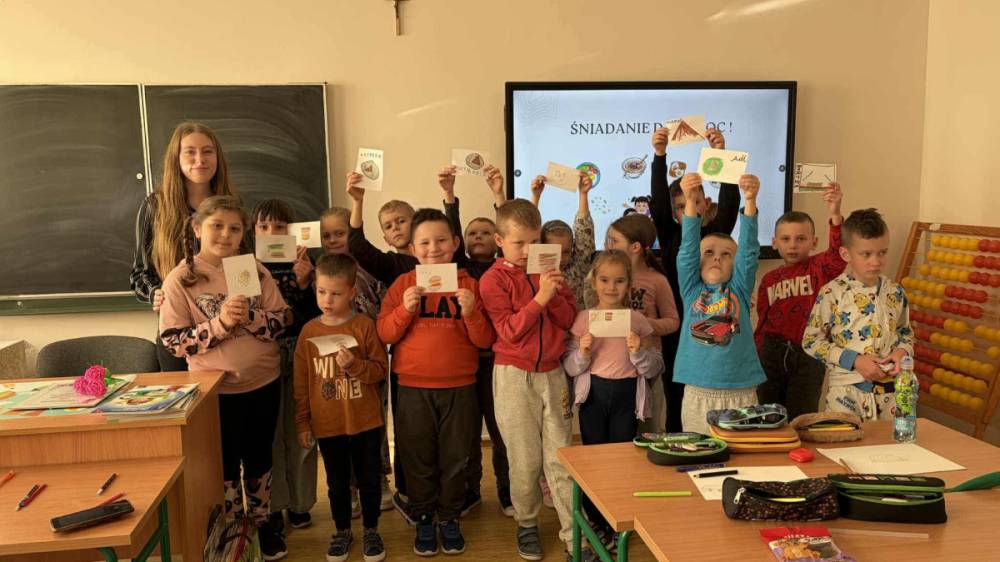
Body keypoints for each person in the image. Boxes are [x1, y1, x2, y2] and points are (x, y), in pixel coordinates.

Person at [158, 195, 291, 559]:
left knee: (260, 457)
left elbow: (282, 319)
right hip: (215, 391)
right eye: (216, 226)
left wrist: (250, 317)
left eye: (234, 228)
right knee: (225, 463)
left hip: (262, 383)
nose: (225, 235)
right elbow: (173, 342)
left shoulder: (250, 270)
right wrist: (220, 323)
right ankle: (234, 528)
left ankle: (261, 523)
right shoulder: (181, 279)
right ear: (197, 229)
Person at [479, 199, 594, 562]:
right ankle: (526, 522)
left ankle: (574, 535)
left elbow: (567, 318)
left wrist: (553, 293)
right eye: (519, 243)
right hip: (513, 377)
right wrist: (541, 297)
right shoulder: (493, 279)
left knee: (561, 457)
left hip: (553, 373)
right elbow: (510, 331)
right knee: (525, 459)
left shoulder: (548, 270)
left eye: (534, 241)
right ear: (499, 241)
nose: (528, 251)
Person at [377, 208, 495, 556]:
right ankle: (424, 516)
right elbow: (384, 333)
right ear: (412, 248)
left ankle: (449, 516)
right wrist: (405, 310)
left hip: (460, 387)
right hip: (413, 388)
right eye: (425, 243)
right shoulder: (402, 285)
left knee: (456, 457)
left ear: (455, 243)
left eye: (441, 240)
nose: (433, 248)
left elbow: (485, 340)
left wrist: (471, 312)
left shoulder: (469, 285)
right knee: (417, 456)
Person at [563, 250, 663, 550]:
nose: (611, 287)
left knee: (622, 460)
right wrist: (583, 352)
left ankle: (618, 520)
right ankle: (596, 519)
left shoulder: (637, 321)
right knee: (594, 459)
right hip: (594, 394)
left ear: (629, 284)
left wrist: (637, 352)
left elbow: (655, 367)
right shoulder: (584, 319)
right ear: (594, 282)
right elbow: (570, 367)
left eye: (619, 281)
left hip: (626, 395)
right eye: (605, 280)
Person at [295, 253, 389, 562]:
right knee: (336, 484)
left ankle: (372, 529)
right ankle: (342, 531)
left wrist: (355, 366)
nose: (327, 300)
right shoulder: (309, 333)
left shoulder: (364, 326)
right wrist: (303, 423)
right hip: (328, 424)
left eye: (335, 293)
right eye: (321, 291)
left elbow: (380, 371)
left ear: (352, 292)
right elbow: (302, 383)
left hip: (366, 422)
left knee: (369, 480)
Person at [648, 126, 741, 432]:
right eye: (680, 205)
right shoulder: (670, 234)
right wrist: (659, 155)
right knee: (676, 394)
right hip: (677, 324)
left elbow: (730, 205)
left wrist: (721, 154)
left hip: (712, 320)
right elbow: (658, 202)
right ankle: (678, 441)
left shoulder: (715, 235)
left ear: (705, 203)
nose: (689, 206)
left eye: (695, 201)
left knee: (713, 392)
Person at [130, 122, 236, 371]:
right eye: (190, 152)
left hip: (229, 331)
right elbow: (139, 274)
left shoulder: (232, 206)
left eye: (208, 151)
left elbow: (244, 263)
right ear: (176, 159)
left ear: (217, 158)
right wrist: (155, 293)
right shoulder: (155, 207)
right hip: (178, 334)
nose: (200, 159)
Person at [673, 174, 765, 435]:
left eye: (726, 254)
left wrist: (750, 201)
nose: (717, 259)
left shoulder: (739, 289)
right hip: (698, 389)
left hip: (741, 390)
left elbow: (748, 252)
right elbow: (687, 250)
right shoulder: (691, 290)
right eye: (709, 253)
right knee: (700, 451)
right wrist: (690, 201)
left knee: (742, 450)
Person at [802, 208, 914, 421]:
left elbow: (906, 333)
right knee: (842, 440)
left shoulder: (896, 292)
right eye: (866, 254)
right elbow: (811, 341)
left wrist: (902, 352)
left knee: (891, 441)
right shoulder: (832, 292)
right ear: (846, 254)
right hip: (845, 394)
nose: (876, 261)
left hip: (891, 394)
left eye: (882, 253)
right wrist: (855, 360)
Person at [251, 199, 320, 535]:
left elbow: (318, 317)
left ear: (291, 232)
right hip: (263, 355)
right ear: (253, 232)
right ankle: (275, 504)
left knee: (302, 428)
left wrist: (306, 286)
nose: (271, 233)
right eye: (263, 227)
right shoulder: (245, 266)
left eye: (279, 227)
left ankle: (300, 503)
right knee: (271, 434)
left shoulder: (305, 263)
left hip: (300, 351)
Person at [754, 184, 845, 418]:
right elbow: (763, 320)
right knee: (768, 415)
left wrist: (835, 213)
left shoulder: (819, 268)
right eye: (786, 239)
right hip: (771, 353)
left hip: (809, 352)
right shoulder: (769, 279)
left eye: (800, 239)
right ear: (774, 242)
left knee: (802, 416)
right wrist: (756, 353)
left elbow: (837, 255)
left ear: (814, 242)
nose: (793, 245)